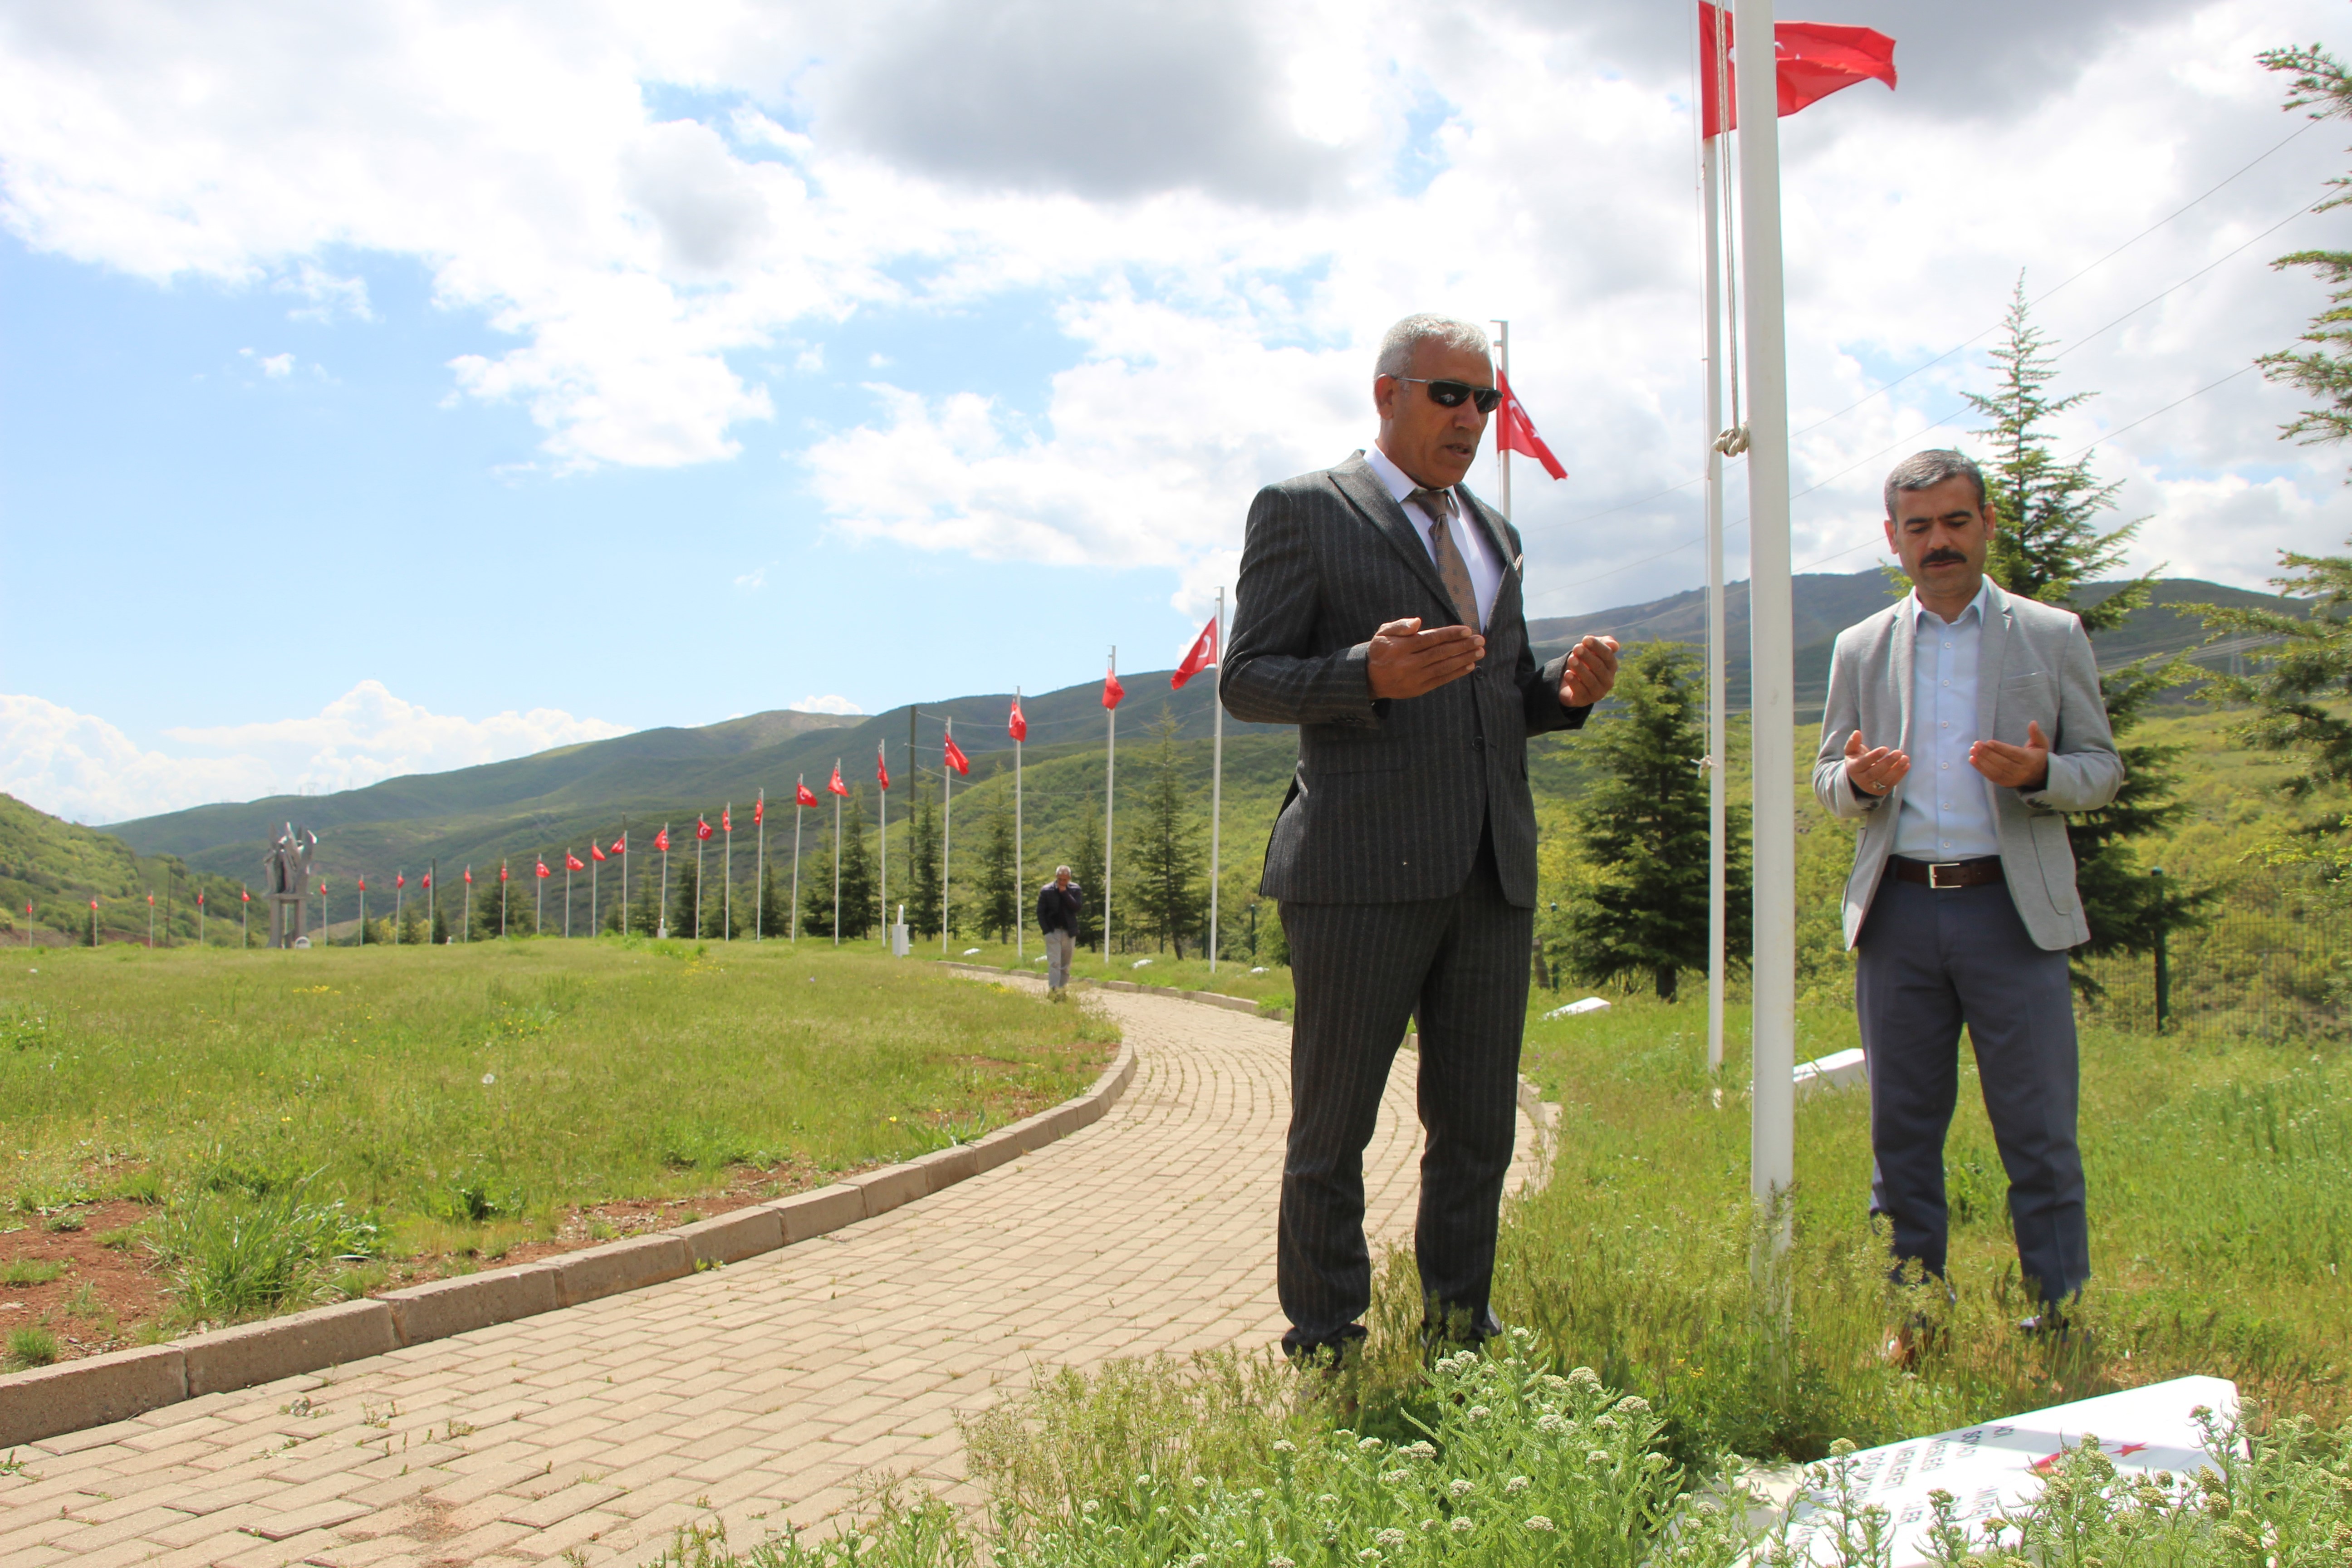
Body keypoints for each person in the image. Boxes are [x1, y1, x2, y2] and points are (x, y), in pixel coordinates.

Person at [1220, 313, 1620, 1362]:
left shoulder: (1495, 532)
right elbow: (1248, 679)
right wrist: (1363, 673)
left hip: (1489, 869)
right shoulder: (1305, 509)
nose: (1471, 417)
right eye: (1448, 394)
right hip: (1359, 870)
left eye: (1483, 399)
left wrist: (1562, 696)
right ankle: (1324, 1337)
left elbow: (1497, 697)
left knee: (1478, 1127)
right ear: (1386, 393)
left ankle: (1456, 1325)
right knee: (1333, 1129)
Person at [1813, 449, 2123, 1335]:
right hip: (1900, 912)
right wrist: (1862, 783)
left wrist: (2041, 774)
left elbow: (2101, 770)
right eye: (1919, 528)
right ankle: (1913, 1313)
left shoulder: (2051, 635)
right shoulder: (1860, 646)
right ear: (1893, 539)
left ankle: (2059, 1313)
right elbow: (1829, 777)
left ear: (1987, 524)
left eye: (1955, 522)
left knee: (2038, 1132)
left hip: (2011, 914)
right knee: (1901, 1132)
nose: (1938, 542)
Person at [1037, 865, 1082, 995]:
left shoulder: (1075, 889)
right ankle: (1054, 990)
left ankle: (1062, 991)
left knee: (1066, 965)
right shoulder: (1047, 890)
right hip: (1053, 931)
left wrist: (1064, 893)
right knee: (1054, 963)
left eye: (1065, 879)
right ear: (1056, 878)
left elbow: (1077, 907)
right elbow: (1041, 912)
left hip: (1069, 932)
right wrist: (1046, 930)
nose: (1062, 882)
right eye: (1060, 879)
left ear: (1069, 879)